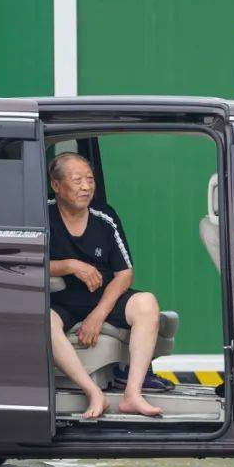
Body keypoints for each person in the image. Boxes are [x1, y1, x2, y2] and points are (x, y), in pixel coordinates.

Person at [48, 152, 166, 418]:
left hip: (102, 298)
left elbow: (124, 273)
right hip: (60, 302)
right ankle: (93, 393)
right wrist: (69, 265)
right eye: (77, 180)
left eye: (89, 179)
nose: (86, 187)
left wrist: (98, 314)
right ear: (56, 185)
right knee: (43, 321)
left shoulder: (105, 216)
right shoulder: (41, 215)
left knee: (147, 303)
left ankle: (132, 395)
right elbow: (26, 261)